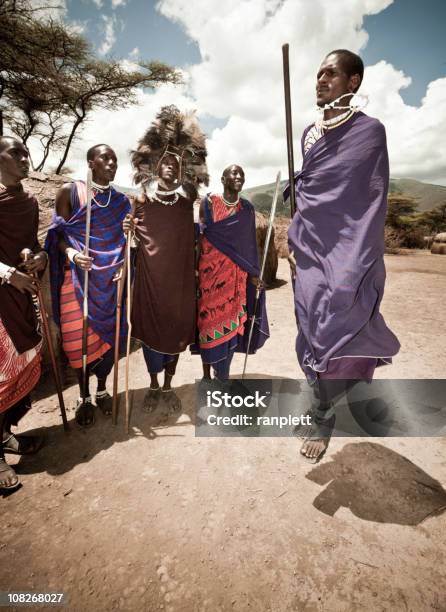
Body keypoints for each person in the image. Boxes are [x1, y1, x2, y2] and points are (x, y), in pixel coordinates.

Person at [286, 49, 400, 462]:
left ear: (353, 83)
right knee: (311, 328)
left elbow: (369, 199)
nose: (320, 80)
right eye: (317, 73)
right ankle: (320, 404)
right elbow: (312, 195)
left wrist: (357, 258)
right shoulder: (308, 135)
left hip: (349, 250)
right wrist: (295, 237)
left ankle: (324, 410)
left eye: (330, 73)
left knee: (342, 325)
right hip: (310, 250)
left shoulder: (370, 132)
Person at [126, 105, 208, 416]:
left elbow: (194, 235)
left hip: (180, 281)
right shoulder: (142, 199)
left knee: (175, 331)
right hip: (151, 279)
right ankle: (152, 384)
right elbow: (132, 233)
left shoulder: (187, 201)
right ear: (156, 168)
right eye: (165, 163)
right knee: (152, 333)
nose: (170, 167)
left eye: (175, 163)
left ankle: (169, 385)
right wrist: (128, 229)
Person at [46, 144, 130, 427]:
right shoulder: (69, 192)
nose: (111, 162)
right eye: (105, 157)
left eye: (115, 159)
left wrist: (122, 266)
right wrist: (71, 253)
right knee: (75, 341)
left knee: (108, 338)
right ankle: (83, 396)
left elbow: (124, 242)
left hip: (108, 282)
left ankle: (102, 389)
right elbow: (57, 234)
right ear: (91, 162)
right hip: (77, 280)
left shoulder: (120, 201)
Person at [0, 136, 47, 491]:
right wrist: (6, 274)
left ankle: (4, 436)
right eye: (15, 152)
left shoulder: (28, 201)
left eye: (25, 152)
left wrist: (38, 257)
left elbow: (34, 243)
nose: (24, 157)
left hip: (21, 299)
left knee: (23, 368)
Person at [195, 164, 269, 382]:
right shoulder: (208, 203)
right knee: (208, 324)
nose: (238, 176)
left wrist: (254, 273)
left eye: (241, 174)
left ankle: (223, 375)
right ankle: (207, 375)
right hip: (210, 276)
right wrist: (195, 271)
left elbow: (249, 245)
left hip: (237, 277)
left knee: (231, 325)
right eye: (233, 173)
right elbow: (200, 237)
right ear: (223, 178)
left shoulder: (246, 209)